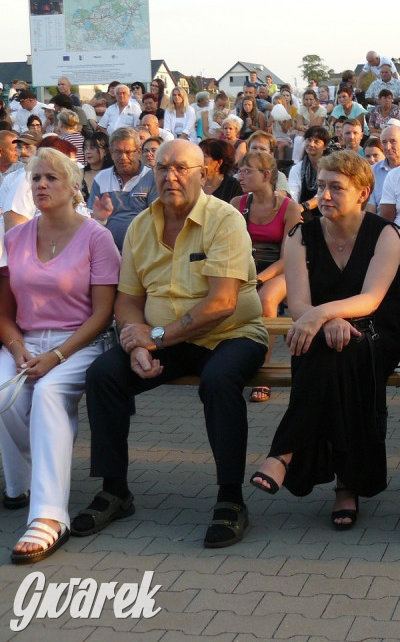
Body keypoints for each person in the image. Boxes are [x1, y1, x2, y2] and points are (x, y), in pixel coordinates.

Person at [71, 140, 269, 548]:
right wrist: (135, 344)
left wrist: (155, 336)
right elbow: (127, 300)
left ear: (203, 174)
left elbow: (222, 304)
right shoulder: (142, 225)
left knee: (218, 381)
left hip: (231, 335)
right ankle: (115, 490)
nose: (169, 176)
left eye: (180, 168)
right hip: (166, 340)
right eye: (161, 167)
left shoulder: (224, 219)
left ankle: (230, 498)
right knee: (104, 375)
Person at [249, 152, 400, 529]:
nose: (325, 195)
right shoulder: (302, 233)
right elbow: (299, 302)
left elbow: (370, 299)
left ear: (363, 192)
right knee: (335, 352)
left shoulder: (384, 234)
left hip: (376, 334)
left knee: (344, 349)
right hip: (320, 336)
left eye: (337, 187)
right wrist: (324, 319)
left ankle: (284, 451)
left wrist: (325, 315)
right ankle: (346, 486)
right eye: (321, 186)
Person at [0, 149, 119, 563]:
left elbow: (104, 313)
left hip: (80, 341)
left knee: (48, 395)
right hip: (23, 339)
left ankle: (49, 516)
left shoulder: (96, 237)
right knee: (4, 395)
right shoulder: (12, 238)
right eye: (35, 179)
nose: (41, 185)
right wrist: (18, 350)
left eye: (51, 178)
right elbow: (3, 312)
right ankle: (22, 484)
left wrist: (56, 355)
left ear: (73, 187)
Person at [232, 152, 302, 403]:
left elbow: (288, 258)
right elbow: (230, 248)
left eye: (247, 170)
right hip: (247, 267)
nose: (240, 176)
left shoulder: (289, 207)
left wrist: (258, 279)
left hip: (281, 269)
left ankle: (264, 371)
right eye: (239, 170)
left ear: (265, 175)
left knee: (266, 301)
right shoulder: (237, 204)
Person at [88, 129, 158, 250]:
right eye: (118, 152)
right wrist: (101, 219)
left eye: (128, 152)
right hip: (107, 249)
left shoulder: (152, 177)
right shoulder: (101, 178)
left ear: (138, 151)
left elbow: (157, 219)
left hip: (143, 249)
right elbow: (91, 218)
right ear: (110, 152)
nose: (123, 157)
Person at [288, 126, 331, 218]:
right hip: (303, 214)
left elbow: (324, 192)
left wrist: (304, 206)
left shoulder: (331, 167)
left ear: (325, 146)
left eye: (316, 142)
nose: (311, 144)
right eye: (309, 140)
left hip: (327, 212)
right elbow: (293, 194)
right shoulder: (297, 168)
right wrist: (295, 210)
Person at [199, 138, 244, 203]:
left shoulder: (233, 186)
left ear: (219, 163)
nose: (198, 160)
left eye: (204, 156)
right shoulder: (194, 182)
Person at [82, 132, 113, 200]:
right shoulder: (79, 173)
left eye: (93, 148)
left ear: (106, 150)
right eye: (85, 148)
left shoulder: (113, 174)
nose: (87, 152)